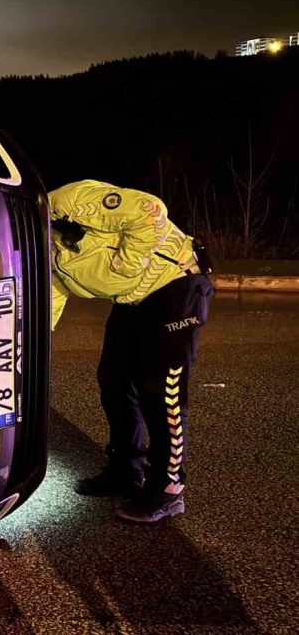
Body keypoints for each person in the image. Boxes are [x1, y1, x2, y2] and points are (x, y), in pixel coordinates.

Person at [50, 180, 214, 523]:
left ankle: (167, 489)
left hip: (176, 286)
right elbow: (52, 292)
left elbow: (148, 211)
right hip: (131, 299)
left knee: (161, 392)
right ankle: (126, 471)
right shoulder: (35, 244)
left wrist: (123, 269)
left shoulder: (68, 202)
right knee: (113, 381)